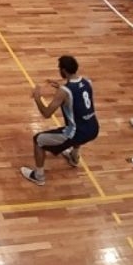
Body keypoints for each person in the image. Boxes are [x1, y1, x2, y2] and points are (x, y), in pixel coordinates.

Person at [21, 55, 99, 186]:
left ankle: (38, 176)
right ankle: (74, 157)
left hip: (77, 133)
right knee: (79, 125)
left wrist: (37, 98)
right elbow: (78, 96)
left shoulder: (64, 91)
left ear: (63, 70)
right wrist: (61, 87)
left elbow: (47, 114)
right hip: (93, 128)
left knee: (38, 140)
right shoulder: (87, 82)